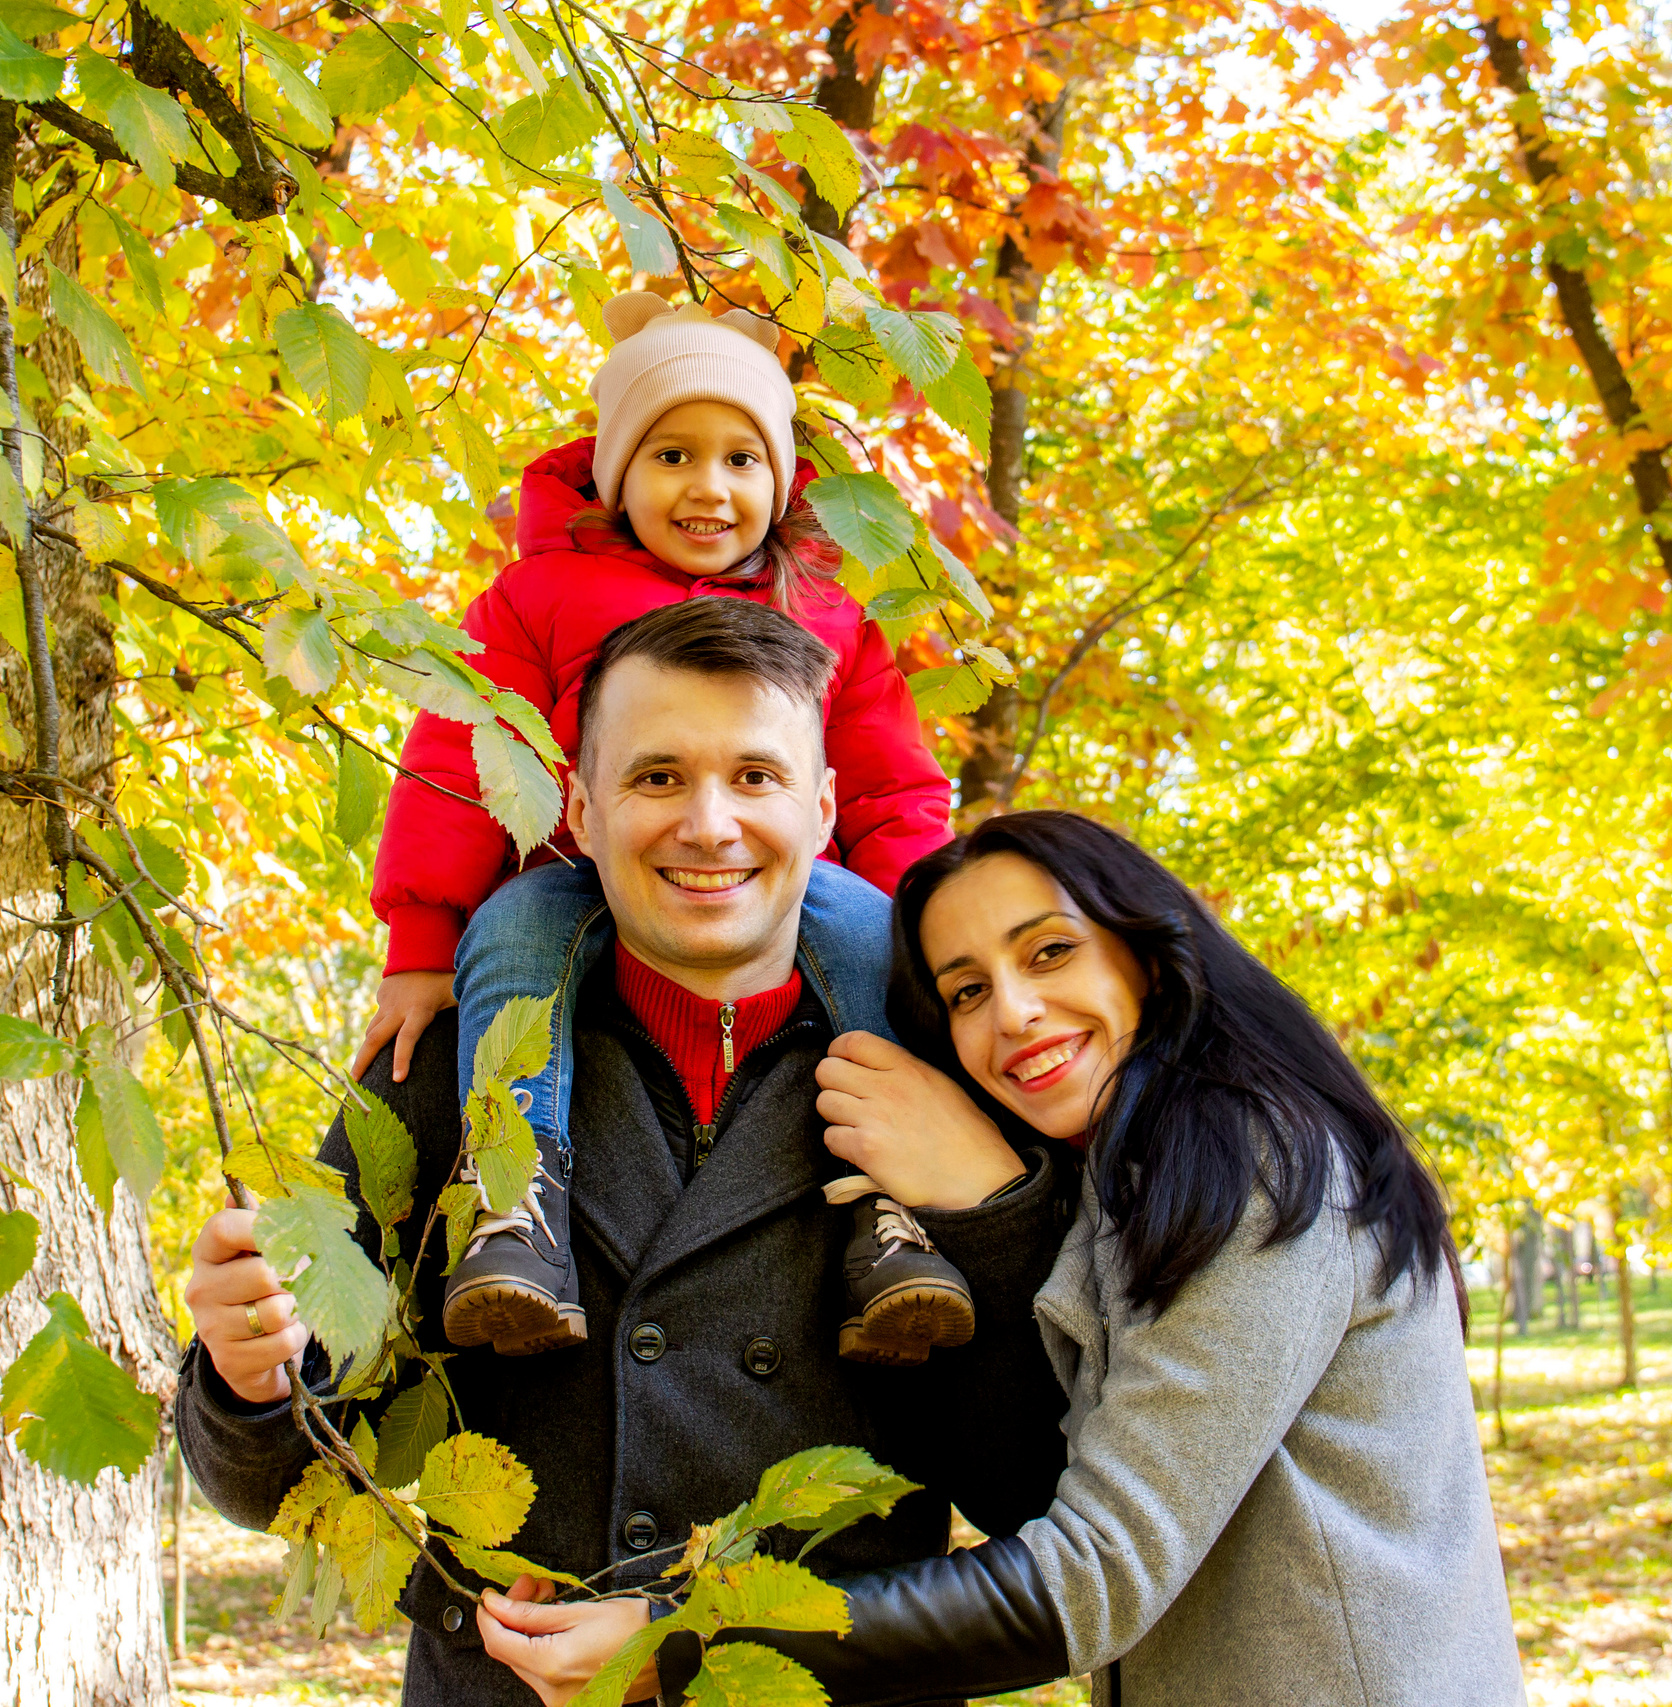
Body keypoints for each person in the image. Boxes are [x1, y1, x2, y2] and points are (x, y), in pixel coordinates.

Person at [176, 601, 1073, 1706]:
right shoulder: (456, 1070)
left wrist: (993, 1211)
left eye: (755, 776)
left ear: (823, 808)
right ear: (582, 810)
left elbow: (1041, 1497)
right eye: (657, 777)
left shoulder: (960, 1083)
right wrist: (247, 1376)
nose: (709, 824)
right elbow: (276, 1483)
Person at [480, 811, 1527, 1707]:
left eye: (1050, 952)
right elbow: (1038, 1486)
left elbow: (1091, 1576)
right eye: (967, 991)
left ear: (1146, 951)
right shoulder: (1130, 1183)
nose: (1015, 1012)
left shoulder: (1264, 1169)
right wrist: (987, 1206)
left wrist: (681, 1638)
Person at [354, 290, 967, 1366]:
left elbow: (889, 791)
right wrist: (420, 944)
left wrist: (936, 933)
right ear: (615, 472)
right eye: (672, 455)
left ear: (779, 479)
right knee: (511, 936)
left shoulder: (824, 612)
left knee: (872, 935)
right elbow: (455, 761)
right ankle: (513, 1198)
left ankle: (887, 1208)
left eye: (741, 459)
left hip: (790, 892)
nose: (709, 486)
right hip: (575, 871)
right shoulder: (539, 595)